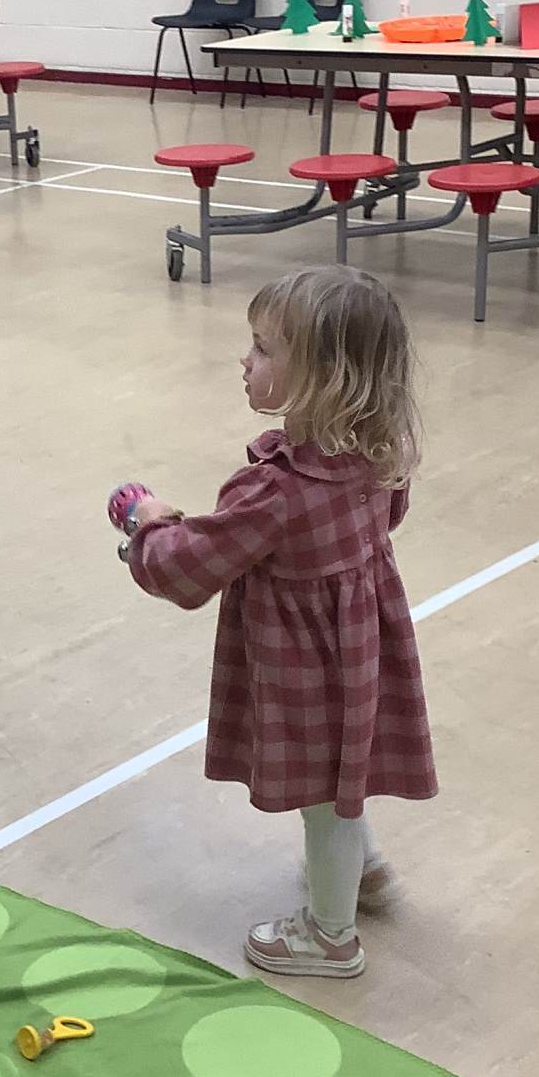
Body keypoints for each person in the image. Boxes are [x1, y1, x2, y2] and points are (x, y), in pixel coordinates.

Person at [113, 267, 436, 980]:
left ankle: (330, 936)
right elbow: (390, 518)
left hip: (302, 669)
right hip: (360, 648)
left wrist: (145, 525)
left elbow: (187, 569)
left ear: (324, 378)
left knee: (322, 797)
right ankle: (362, 868)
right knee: (341, 770)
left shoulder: (275, 491)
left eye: (263, 348)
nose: (245, 360)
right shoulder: (378, 455)